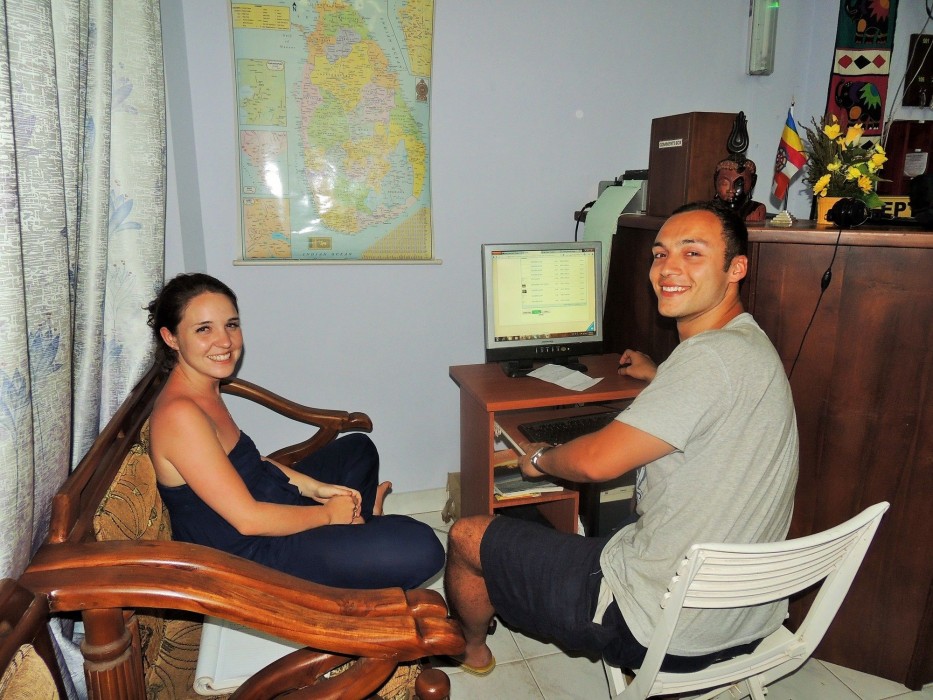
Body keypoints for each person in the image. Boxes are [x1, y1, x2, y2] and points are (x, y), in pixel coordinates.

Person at [444, 202, 798, 676]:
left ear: (736, 268)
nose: (667, 268)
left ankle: (471, 651)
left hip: (660, 627)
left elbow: (596, 463)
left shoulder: (706, 362)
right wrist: (661, 376)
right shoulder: (748, 345)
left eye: (692, 253)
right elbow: (709, 399)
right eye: (660, 253)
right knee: (591, 528)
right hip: (745, 617)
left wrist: (541, 458)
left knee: (467, 535)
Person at [146, 273, 444, 590]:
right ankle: (362, 530)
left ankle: (358, 530)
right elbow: (248, 520)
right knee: (422, 545)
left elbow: (248, 461)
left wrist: (315, 489)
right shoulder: (180, 415)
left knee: (358, 448)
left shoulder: (203, 386)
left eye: (231, 325)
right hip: (249, 558)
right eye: (204, 329)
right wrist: (328, 515)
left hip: (266, 505)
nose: (225, 341)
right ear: (171, 337)